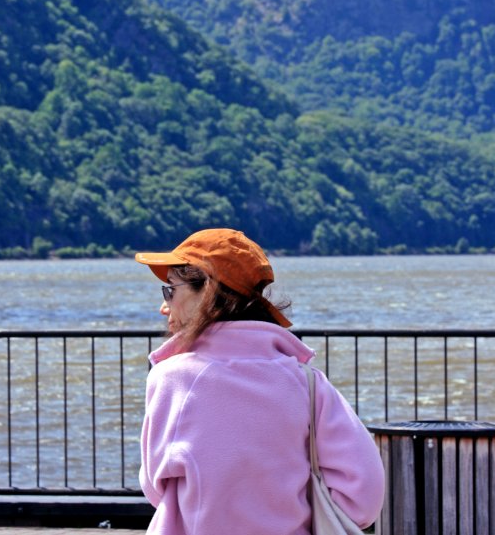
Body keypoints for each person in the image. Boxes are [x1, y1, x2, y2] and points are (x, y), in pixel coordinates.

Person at [135, 228, 385, 535]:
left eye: (170, 290)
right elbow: (364, 496)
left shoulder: (172, 378)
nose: (164, 306)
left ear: (208, 292)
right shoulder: (306, 382)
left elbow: (154, 485)